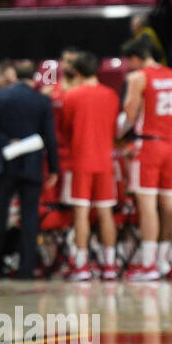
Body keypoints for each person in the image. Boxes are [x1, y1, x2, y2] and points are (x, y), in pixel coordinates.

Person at [119, 36, 172, 280]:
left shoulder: (139, 77)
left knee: (148, 206)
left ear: (136, 58)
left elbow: (130, 113)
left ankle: (149, 264)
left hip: (148, 145)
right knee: (171, 205)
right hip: (171, 146)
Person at [0, 59, 59, 278]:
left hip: (4, 165)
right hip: (31, 166)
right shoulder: (41, 101)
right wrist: (54, 168)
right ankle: (26, 269)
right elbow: (50, 137)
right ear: (34, 76)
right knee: (30, 217)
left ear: (14, 73)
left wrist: (5, 142)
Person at [59, 52, 120, 281]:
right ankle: (110, 264)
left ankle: (82, 265)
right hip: (105, 161)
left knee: (81, 213)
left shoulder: (71, 96)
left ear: (76, 72)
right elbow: (115, 126)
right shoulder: (111, 95)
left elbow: (65, 128)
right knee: (106, 213)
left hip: (81, 161)